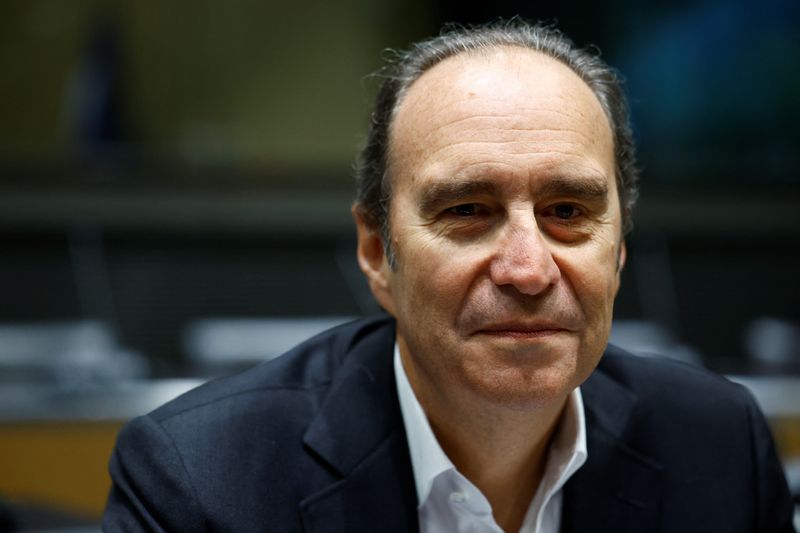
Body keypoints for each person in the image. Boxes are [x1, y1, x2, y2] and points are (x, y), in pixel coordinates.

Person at [103, 20, 795, 532]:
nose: (528, 269)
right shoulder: (201, 481)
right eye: (467, 210)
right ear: (377, 251)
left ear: (617, 250)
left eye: (567, 210)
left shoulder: (720, 446)